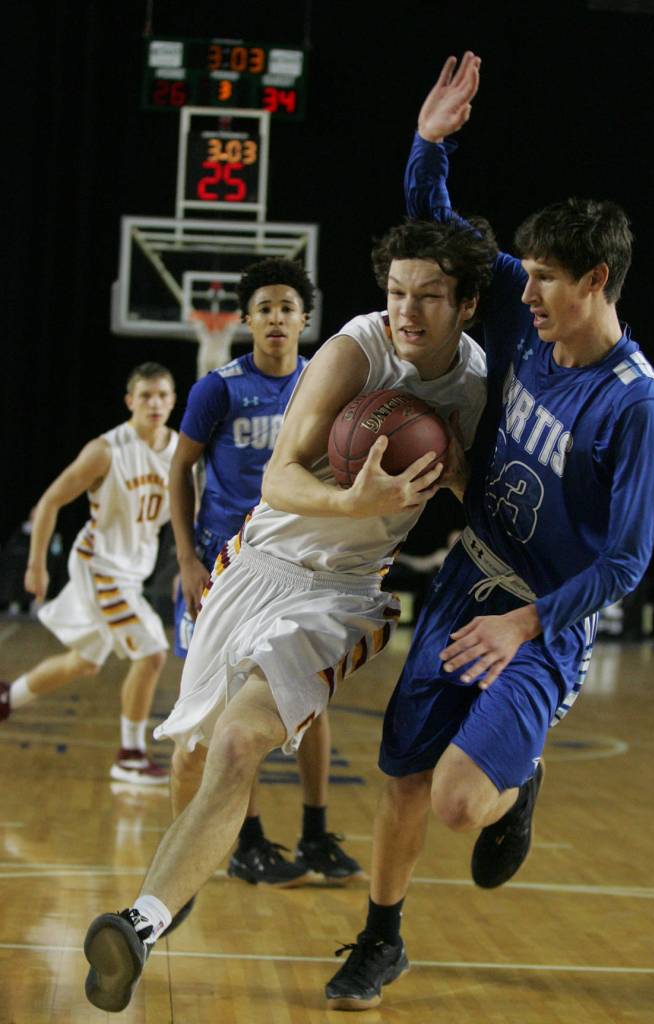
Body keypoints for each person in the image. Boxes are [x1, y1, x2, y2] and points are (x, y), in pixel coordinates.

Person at [324, 52, 654, 1010]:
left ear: (596, 281)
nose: (524, 295)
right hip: (467, 577)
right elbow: (443, 241)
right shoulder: (529, 321)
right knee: (400, 776)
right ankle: (382, 940)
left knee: (458, 803)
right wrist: (428, 146)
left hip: (540, 620)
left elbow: (628, 559)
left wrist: (527, 625)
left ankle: (522, 778)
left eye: (548, 280)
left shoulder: (635, 407)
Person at [82, 214, 495, 1013]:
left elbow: (484, 495)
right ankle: (178, 889)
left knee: (240, 742)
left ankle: (139, 922)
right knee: (197, 755)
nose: (406, 312)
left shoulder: (474, 389)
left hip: (342, 592)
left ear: (468, 304)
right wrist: (351, 497)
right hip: (255, 563)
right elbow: (277, 482)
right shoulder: (355, 349)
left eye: (430, 297)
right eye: (395, 292)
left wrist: (456, 480)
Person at [171, 257, 362, 894]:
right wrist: (187, 560)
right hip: (227, 571)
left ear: (305, 320)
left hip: (300, 567)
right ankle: (247, 841)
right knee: (230, 710)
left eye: (287, 307)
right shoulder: (218, 388)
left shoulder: (325, 387)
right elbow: (180, 470)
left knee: (311, 698)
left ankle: (314, 830)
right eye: (265, 308)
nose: (277, 318)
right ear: (247, 320)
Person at [0, 363, 178, 785]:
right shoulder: (107, 450)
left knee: (84, 663)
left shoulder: (179, 450)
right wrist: (36, 563)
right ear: (130, 401)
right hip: (100, 566)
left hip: (131, 570)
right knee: (152, 652)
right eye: (146, 395)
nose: (155, 403)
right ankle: (129, 755)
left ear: (173, 401)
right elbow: (48, 503)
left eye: (163, 395)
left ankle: (8, 697)